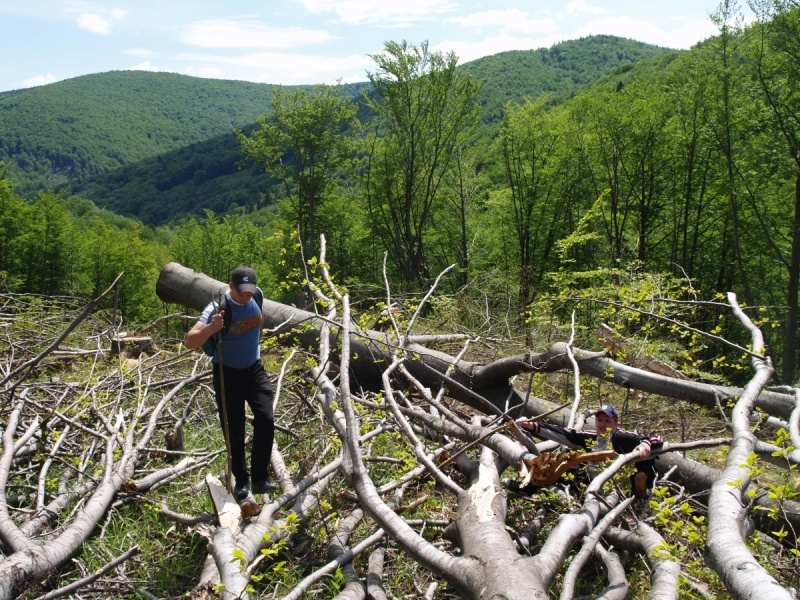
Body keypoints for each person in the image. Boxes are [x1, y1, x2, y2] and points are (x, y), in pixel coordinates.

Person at [184, 266, 275, 501]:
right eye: (241, 292)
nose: (246, 296)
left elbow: (258, 320)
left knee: (266, 418)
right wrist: (210, 328)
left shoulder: (257, 295)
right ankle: (241, 481)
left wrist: (254, 345)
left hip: (254, 369)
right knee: (233, 430)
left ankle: (260, 478)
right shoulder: (216, 308)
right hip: (227, 374)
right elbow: (189, 342)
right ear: (231, 286)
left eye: (249, 291)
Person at [516, 404, 663, 496]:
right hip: (590, 481)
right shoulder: (590, 437)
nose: (602, 425)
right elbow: (563, 433)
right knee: (551, 462)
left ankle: (640, 490)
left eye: (607, 421)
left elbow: (655, 438)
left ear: (615, 423)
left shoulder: (621, 436)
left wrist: (646, 445)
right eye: (600, 420)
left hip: (617, 485)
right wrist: (531, 425)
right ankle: (524, 488)